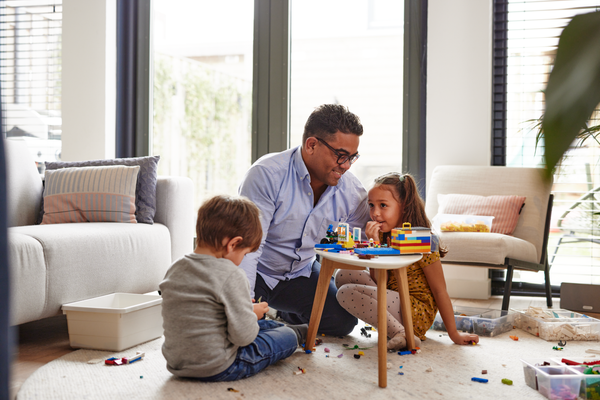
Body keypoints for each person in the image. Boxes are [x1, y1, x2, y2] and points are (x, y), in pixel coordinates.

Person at [238, 104, 371, 337]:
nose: (346, 166)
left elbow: (364, 239)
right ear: (311, 145)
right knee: (243, 327)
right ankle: (272, 317)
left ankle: (283, 315)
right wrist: (245, 304)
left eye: (352, 157)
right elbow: (249, 248)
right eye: (341, 155)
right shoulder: (267, 175)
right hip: (260, 271)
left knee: (343, 322)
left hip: (302, 272)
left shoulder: (351, 191)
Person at [160, 195, 307, 381]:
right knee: (284, 336)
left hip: (177, 363)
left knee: (265, 325)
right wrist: (251, 314)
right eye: (245, 253)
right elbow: (243, 338)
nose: (243, 259)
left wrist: (245, 311)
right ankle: (295, 334)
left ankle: (282, 327)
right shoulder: (231, 274)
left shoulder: (176, 267)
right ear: (233, 244)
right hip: (219, 365)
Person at [335, 173, 480, 350]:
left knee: (346, 292)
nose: (375, 213)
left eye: (383, 205)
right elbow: (380, 281)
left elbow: (439, 290)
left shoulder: (422, 240)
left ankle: (403, 333)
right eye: (371, 205)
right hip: (393, 297)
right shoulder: (382, 235)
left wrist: (454, 334)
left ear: (404, 207)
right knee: (342, 275)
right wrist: (375, 245)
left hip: (415, 311)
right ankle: (396, 329)